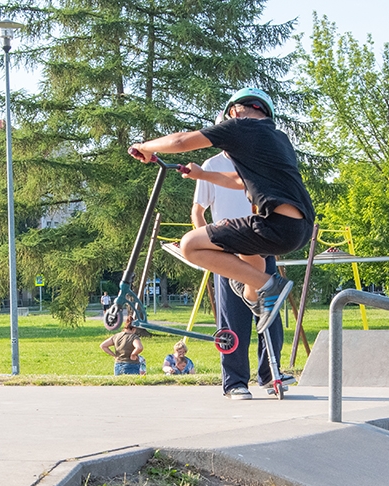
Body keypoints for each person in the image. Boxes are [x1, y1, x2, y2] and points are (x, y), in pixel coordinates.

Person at [129, 88, 315, 335]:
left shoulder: (239, 126)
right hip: (300, 229)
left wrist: (145, 146)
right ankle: (259, 298)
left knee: (190, 245)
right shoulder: (279, 139)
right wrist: (203, 175)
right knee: (250, 271)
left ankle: (270, 286)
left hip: (276, 225)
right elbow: (240, 180)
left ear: (234, 111)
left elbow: (180, 141)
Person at [193, 150, 296, 399]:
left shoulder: (257, 160)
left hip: (260, 245)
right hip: (228, 249)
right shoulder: (212, 165)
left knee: (270, 311)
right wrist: (208, 244)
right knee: (232, 320)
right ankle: (235, 382)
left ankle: (270, 375)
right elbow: (197, 213)